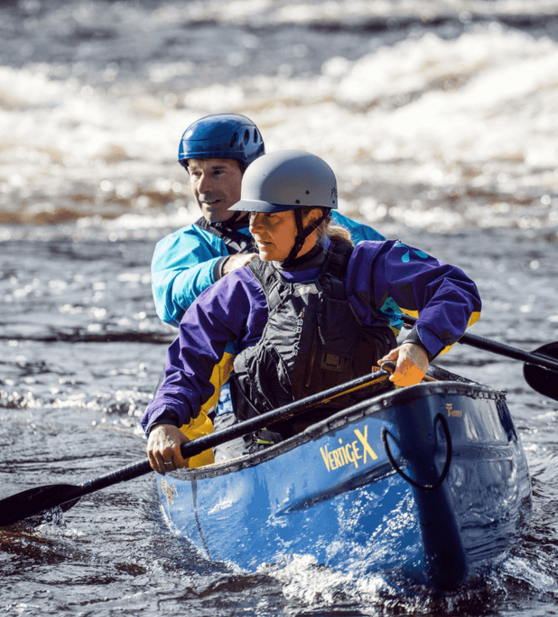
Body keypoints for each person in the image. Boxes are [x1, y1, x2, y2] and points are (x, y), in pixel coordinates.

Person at [142, 150, 481, 475]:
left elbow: (455, 288)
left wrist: (419, 345)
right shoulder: (238, 290)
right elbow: (189, 362)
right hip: (262, 443)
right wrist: (163, 421)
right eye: (252, 216)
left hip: (358, 432)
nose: (255, 230)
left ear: (313, 217)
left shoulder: (368, 265)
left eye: (270, 218)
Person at [150, 115, 395, 467]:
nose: (203, 186)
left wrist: (418, 341)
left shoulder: (316, 221)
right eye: (195, 172)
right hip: (245, 389)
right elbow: (171, 299)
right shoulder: (184, 245)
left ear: (251, 174)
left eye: (217, 171)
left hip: (338, 376)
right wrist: (223, 268)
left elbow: (393, 279)